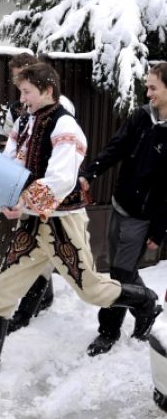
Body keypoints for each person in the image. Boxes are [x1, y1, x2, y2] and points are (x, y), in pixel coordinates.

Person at [0, 63, 161, 378]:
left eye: (27, 92)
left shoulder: (66, 127)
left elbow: (60, 179)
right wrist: (0, 189)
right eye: (21, 91)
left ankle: (144, 299)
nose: (22, 98)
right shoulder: (24, 120)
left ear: (47, 91)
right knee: (3, 290)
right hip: (31, 225)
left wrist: (21, 200)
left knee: (91, 291)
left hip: (63, 224)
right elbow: (10, 160)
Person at [79, 62, 167, 356]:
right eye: (147, 85)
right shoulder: (142, 116)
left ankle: (108, 331)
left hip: (141, 218)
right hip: (120, 205)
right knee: (123, 271)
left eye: (153, 87)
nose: (148, 92)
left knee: (118, 276)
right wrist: (89, 174)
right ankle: (148, 305)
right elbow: (116, 147)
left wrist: (159, 229)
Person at [2, 53, 78, 334]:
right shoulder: (18, 109)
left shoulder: (61, 110)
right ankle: (38, 300)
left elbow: (63, 161)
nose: (19, 91)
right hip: (29, 195)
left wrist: (33, 197)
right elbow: (13, 146)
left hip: (53, 199)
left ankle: (26, 312)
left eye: (24, 84)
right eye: (16, 84)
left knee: (82, 276)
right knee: (36, 252)